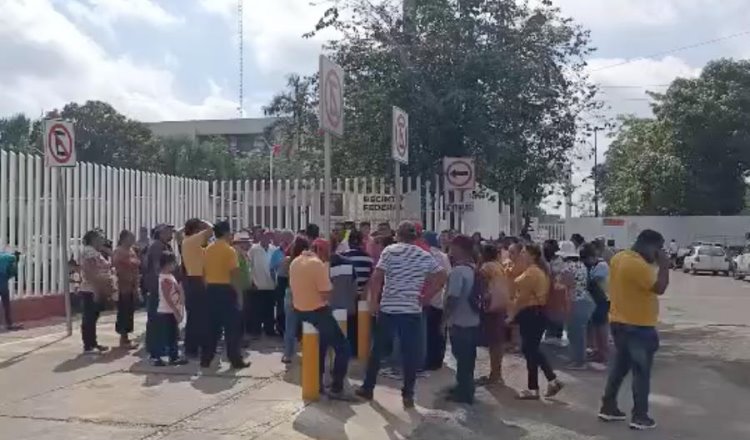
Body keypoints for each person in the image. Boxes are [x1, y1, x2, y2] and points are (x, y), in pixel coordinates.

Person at [356, 221, 448, 409]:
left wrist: (373, 302)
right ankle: (408, 394)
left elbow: (377, 277)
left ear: (398, 235)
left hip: (389, 308)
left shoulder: (390, 251)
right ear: (415, 237)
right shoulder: (424, 255)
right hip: (412, 309)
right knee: (410, 354)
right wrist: (426, 297)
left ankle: (368, 387)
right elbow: (441, 276)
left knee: (377, 350)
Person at [599, 230, 669, 430]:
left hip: (619, 322)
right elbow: (660, 287)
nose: (659, 253)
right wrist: (664, 266)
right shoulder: (638, 265)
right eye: (658, 249)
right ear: (650, 246)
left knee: (620, 368)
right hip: (638, 326)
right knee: (641, 372)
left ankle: (608, 406)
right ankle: (640, 416)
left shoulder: (619, 258)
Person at [289, 237, 352, 400]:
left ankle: (316, 384)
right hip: (318, 311)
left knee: (320, 348)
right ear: (321, 250)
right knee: (343, 347)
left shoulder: (295, 262)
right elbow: (325, 293)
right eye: (327, 253)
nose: (328, 258)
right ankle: (337, 386)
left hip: (300, 312)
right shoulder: (317, 265)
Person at [509, 244, 563, 400]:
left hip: (532, 313)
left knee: (530, 349)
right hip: (535, 313)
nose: (522, 254)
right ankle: (547, 381)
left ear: (533, 255)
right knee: (531, 350)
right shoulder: (536, 270)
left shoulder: (532, 272)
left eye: (525, 252)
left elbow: (522, 297)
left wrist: (511, 315)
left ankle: (539, 385)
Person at [201, 221, 249, 369]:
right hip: (227, 290)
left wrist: (208, 287)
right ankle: (235, 359)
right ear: (227, 233)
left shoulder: (208, 249)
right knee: (232, 328)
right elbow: (234, 275)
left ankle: (206, 359)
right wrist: (239, 296)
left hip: (211, 289)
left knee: (211, 327)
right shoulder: (230, 251)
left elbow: (203, 273)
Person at [443, 235, 481, 404]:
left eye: (452, 247)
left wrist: (444, 320)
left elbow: (453, 298)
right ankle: (466, 387)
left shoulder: (458, 271)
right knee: (468, 358)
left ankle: (464, 393)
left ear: (459, 249)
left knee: (462, 358)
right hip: (474, 320)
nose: (450, 251)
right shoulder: (474, 268)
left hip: (460, 321)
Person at [476, 243, 511, 385]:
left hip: (491, 306)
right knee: (498, 341)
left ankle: (495, 375)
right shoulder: (499, 266)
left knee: (493, 342)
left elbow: (481, 288)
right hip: (502, 304)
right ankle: (497, 373)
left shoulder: (486, 268)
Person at [179, 218, 213, 359]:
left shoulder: (185, 240)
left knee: (195, 316)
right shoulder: (193, 240)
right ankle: (195, 347)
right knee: (200, 317)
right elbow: (212, 229)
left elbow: (178, 233)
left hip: (192, 280)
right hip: (198, 280)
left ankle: (193, 347)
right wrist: (203, 221)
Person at [558, 241, 595, 370]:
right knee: (580, 333)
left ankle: (578, 361)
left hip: (574, 302)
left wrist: (567, 308)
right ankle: (578, 359)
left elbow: (569, 289)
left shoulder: (566, 268)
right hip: (584, 300)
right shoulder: (581, 266)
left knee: (574, 334)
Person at [79, 230, 115, 354]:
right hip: (91, 289)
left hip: (96, 287)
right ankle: (88, 345)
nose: (102, 241)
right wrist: (98, 289)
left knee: (93, 317)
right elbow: (90, 272)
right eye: (100, 238)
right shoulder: (89, 252)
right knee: (89, 317)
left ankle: (93, 343)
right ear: (93, 239)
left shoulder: (95, 251)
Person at [150, 252, 188, 366]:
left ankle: (173, 356)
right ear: (167, 264)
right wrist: (176, 311)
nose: (175, 265)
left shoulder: (169, 276)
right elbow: (167, 297)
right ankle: (165, 357)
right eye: (173, 263)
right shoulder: (165, 279)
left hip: (170, 310)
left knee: (172, 335)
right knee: (169, 335)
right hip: (167, 311)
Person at [341, 230, 374, 354]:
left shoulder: (343, 256)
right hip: (362, 295)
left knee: (348, 323)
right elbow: (370, 277)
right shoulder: (368, 258)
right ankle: (358, 349)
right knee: (360, 325)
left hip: (347, 295)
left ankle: (348, 349)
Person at [144, 224, 174, 355]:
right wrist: (164, 283)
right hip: (157, 288)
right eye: (168, 231)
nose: (171, 233)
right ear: (161, 233)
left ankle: (161, 346)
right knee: (157, 319)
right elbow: (158, 268)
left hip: (159, 286)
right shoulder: (157, 246)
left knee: (161, 318)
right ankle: (156, 348)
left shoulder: (164, 245)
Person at [422, 231, 450, 371]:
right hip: (441, 298)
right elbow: (448, 276)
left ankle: (430, 361)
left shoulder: (428, 255)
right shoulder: (444, 256)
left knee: (429, 332)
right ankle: (438, 360)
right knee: (439, 331)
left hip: (429, 298)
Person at [282, 236, 309, 363]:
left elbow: (281, 276)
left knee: (290, 326)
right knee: (308, 324)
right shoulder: (309, 261)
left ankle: (288, 354)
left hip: (291, 292)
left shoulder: (288, 261)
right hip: (305, 293)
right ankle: (308, 350)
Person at [581, 242, 610, 363]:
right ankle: (598, 350)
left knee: (601, 327)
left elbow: (594, 282)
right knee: (596, 326)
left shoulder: (601, 265)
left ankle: (603, 353)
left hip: (603, 300)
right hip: (595, 301)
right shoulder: (593, 266)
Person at [112, 230, 140, 348]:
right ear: (124, 239)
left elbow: (136, 264)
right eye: (131, 238)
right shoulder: (119, 251)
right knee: (123, 311)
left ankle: (126, 337)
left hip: (132, 286)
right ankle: (123, 338)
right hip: (123, 286)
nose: (133, 240)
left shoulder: (131, 250)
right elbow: (120, 266)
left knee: (129, 312)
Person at [248, 230, 278, 337]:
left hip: (271, 284)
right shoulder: (253, 249)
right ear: (260, 237)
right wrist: (251, 281)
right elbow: (249, 266)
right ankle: (256, 331)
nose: (266, 239)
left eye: (268, 237)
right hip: (258, 284)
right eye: (264, 237)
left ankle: (269, 330)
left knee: (269, 309)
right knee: (256, 310)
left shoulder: (274, 249)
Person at [542, 240, 566, 346]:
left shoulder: (559, 261)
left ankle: (556, 334)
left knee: (557, 313)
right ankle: (550, 333)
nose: (546, 250)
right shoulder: (545, 260)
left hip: (557, 292)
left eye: (548, 248)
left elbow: (556, 275)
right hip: (547, 292)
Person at [272, 230, 294, 335]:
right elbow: (272, 268)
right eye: (284, 238)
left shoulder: (295, 250)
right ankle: (281, 328)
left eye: (288, 238)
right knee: (281, 305)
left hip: (292, 280)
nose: (286, 241)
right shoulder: (276, 252)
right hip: (281, 280)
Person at [0, 250, 21, 331]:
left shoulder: (4, 254)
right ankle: (9, 324)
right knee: (6, 304)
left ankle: (9, 323)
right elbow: (11, 273)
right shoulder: (13, 259)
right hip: (2, 281)